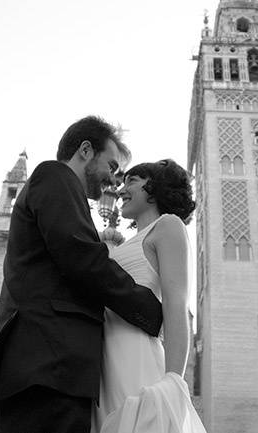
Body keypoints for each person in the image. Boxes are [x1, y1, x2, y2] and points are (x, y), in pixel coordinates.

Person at [0, 116, 164, 433]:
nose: (113, 181)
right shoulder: (53, 177)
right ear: (85, 150)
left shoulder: (63, 191)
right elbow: (83, 259)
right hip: (48, 367)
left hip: (50, 368)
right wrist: (150, 310)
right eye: (111, 166)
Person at [91, 159, 206, 433]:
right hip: (102, 361)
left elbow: (176, 307)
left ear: (155, 187)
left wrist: (173, 381)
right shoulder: (122, 243)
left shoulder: (168, 226)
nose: (121, 191)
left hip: (135, 356)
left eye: (131, 181)